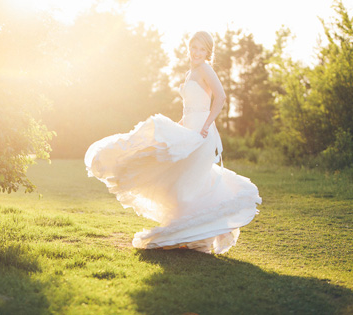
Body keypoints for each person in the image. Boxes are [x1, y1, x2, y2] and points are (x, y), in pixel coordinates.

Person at [84, 31, 261, 254]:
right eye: (194, 48)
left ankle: (201, 238)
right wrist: (178, 126)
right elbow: (189, 109)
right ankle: (199, 236)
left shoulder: (206, 69)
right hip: (188, 130)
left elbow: (222, 97)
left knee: (189, 183)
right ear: (189, 48)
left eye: (202, 49)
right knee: (181, 183)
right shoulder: (191, 72)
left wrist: (206, 125)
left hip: (202, 134)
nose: (197, 53)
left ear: (208, 52)